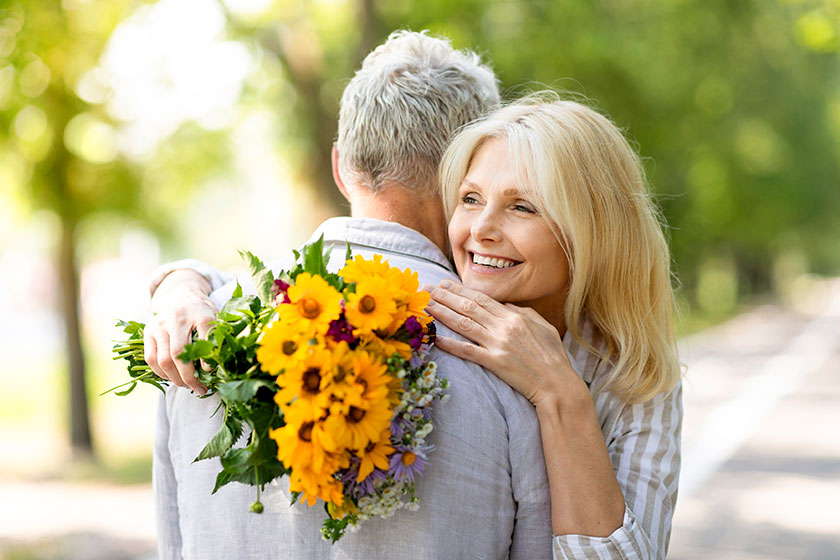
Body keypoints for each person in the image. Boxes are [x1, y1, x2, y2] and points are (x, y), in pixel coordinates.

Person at [147, 30, 554, 559]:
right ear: (465, 173)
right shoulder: (512, 357)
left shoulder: (189, 339)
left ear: (340, 167)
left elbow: (173, 544)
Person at [425, 96, 683, 559]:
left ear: (591, 231)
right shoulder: (425, 331)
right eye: (470, 199)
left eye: (522, 207)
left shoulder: (637, 376)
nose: (481, 227)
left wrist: (560, 393)